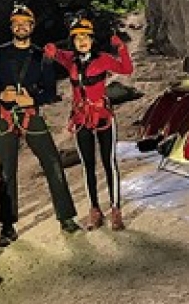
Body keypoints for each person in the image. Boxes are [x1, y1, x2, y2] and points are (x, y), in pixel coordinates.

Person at [0, 4, 80, 245]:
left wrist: (33, 99)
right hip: (6, 116)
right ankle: (7, 226)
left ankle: (66, 218)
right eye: (16, 22)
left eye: (25, 22)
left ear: (32, 26)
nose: (20, 26)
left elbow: (50, 92)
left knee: (52, 162)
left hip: (30, 113)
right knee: (7, 170)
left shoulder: (41, 57)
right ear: (11, 26)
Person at [44, 15, 134, 230]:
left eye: (86, 37)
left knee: (109, 163)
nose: (82, 41)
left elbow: (127, 69)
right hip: (81, 118)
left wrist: (121, 48)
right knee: (88, 166)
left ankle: (115, 209)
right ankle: (94, 209)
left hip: (103, 116)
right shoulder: (70, 60)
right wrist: (50, 51)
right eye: (77, 38)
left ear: (92, 39)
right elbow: (55, 54)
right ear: (72, 42)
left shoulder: (102, 59)